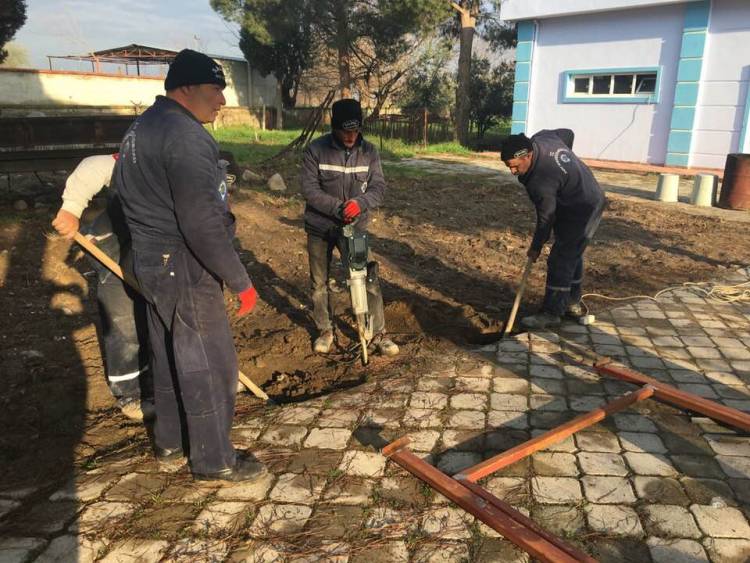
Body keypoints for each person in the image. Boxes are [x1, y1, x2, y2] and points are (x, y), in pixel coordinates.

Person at [112, 49, 266, 482]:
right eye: (215, 89)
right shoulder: (186, 136)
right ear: (187, 88)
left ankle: (170, 443)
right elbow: (201, 221)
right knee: (211, 362)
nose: (221, 100)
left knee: (167, 352)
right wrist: (240, 280)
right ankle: (214, 460)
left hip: (148, 258)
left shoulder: (140, 128)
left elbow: (125, 195)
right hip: (183, 262)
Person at [52, 154, 154, 421]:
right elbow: (96, 166)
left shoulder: (195, 172)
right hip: (113, 245)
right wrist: (71, 209)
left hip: (152, 248)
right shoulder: (141, 156)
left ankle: (168, 377)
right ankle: (130, 392)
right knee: (124, 316)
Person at [301, 98, 399, 356]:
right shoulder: (315, 149)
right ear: (334, 127)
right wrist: (337, 208)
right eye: (345, 130)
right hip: (320, 228)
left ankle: (377, 333)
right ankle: (325, 329)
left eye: (355, 130)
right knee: (319, 283)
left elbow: (379, 187)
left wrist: (360, 203)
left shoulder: (369, 152)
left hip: (355, 229)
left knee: (368, 278)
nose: (350, 136)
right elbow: (309, 189)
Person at [500, 129, 606, 329]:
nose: (512, 172)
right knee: (571, 253)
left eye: (514, 166)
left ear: (528, 155)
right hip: (582, 197)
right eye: (508, 167)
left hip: (584, 207)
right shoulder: (543, 138)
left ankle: (552, 312)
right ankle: (572, 302)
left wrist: (536, 247)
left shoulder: (541, 180)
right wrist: (566, 170)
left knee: (561, 258)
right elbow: (568, 134)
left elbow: (546, 218)